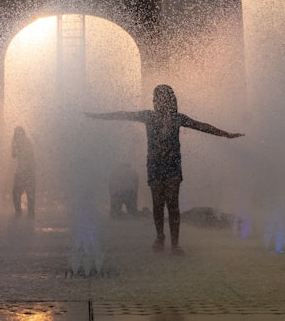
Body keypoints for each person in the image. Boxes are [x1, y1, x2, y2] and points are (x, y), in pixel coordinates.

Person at [86, 84, 243, 254]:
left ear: (171, 99)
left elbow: (202, 126)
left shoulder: (177, 118)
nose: (162, 100)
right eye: (159, 97)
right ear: (155, 100)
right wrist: (98, 116)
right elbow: (123, 115)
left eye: (166, 97)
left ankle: (175, 243)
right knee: (158, 203)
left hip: (173, 165)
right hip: (155, 165)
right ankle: (160, 236)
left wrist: (226, 134)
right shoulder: (148, 116)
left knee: (173, 204)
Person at [11, 126, 36, 218]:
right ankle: (19, 215)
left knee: (29, 196)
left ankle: (27, 218)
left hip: (28, 171)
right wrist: (13, 143)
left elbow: (29, 158)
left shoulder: (27, 143)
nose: (16, 136)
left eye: (17, 134)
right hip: (22, 171)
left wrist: (25, 171)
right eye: (15, 135)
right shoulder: (18, 143)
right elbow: (13, 155)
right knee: (16, 194)